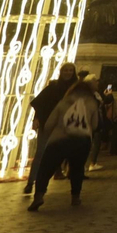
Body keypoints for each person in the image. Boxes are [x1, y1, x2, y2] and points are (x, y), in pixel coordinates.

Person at [29, 79, 100, 211]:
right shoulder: (92, 104)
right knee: (77, 169)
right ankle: (75, 197)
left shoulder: (63, 103)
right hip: (82, 141)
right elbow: (95, 124)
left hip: (59, 139)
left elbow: (50, 123)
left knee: (46, 169)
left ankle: (39, 195)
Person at [23, 61, 77, 194]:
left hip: (67, 126)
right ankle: (31, 182)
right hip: (48, 124)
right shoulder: (53, 87)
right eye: (66, 70)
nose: (68, 73)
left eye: (71, 70)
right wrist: (36, 119)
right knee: (41, 153)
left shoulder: (77, 89)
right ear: (61, 72)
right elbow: (40, 103)